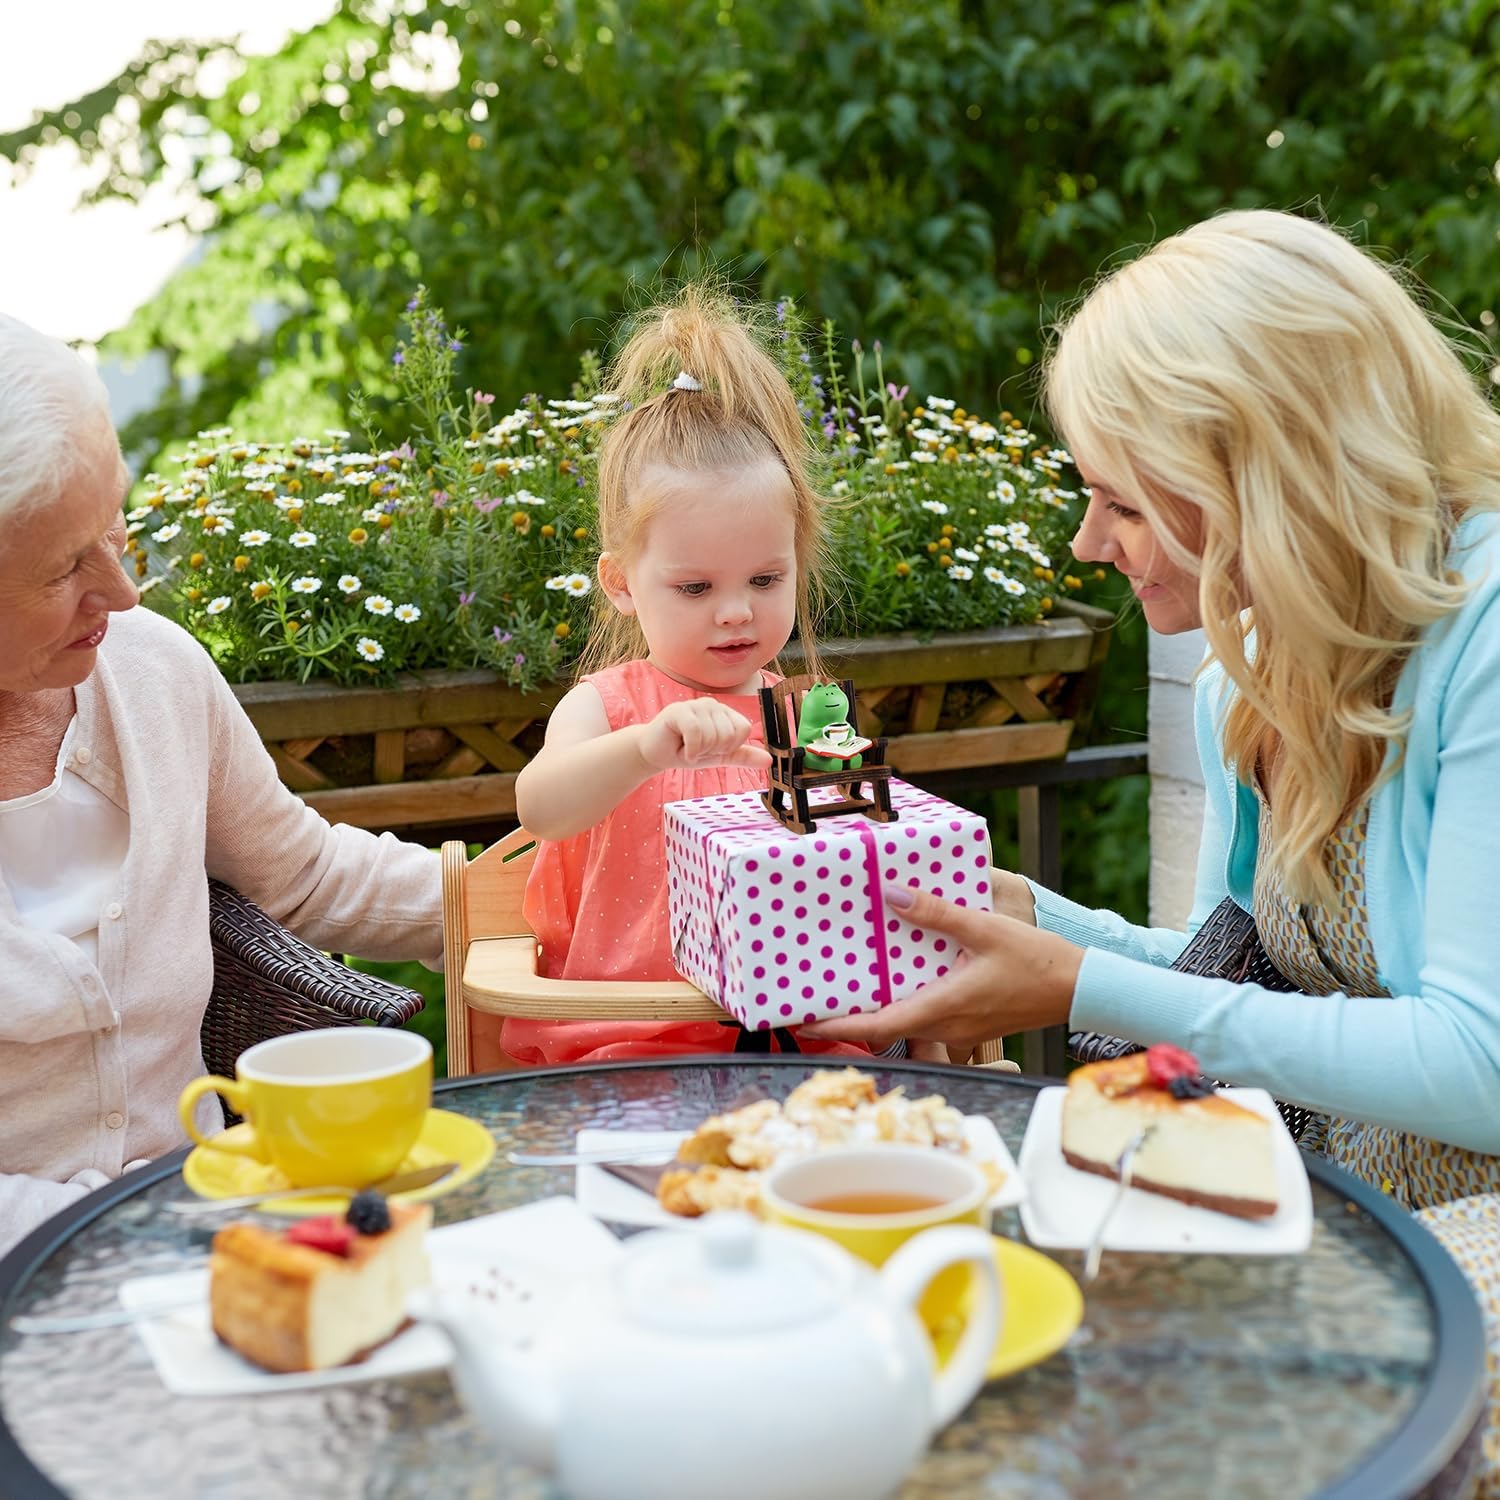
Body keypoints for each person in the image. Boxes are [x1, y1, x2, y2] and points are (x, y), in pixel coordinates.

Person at [806, 210, 1500, 1489]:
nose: (1087, 542)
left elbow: (1480, 1062)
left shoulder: (1487, 632)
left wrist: (1075, 986)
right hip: (1345, 1197)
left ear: (1264, 475)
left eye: (1120, 499)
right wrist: (1018, 913)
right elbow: (1217, 977)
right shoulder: (1246, 675)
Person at [0, 313, 444, 1258]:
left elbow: (311, 876)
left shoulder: (152, 671)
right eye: (64, 565)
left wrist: (536, 898)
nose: (123, 593)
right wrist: (127, 1242)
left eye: (112, 524)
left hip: (216, 1224)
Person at [502, 288, 891, 1066]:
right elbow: (541, 808)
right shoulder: (609, 710)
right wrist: (645, 750)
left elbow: (861, 877)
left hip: (798, 1038)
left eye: (765, 580)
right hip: (628, 1042)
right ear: (620, 583)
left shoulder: (807, 713)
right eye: (696, 588)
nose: (736, 614)